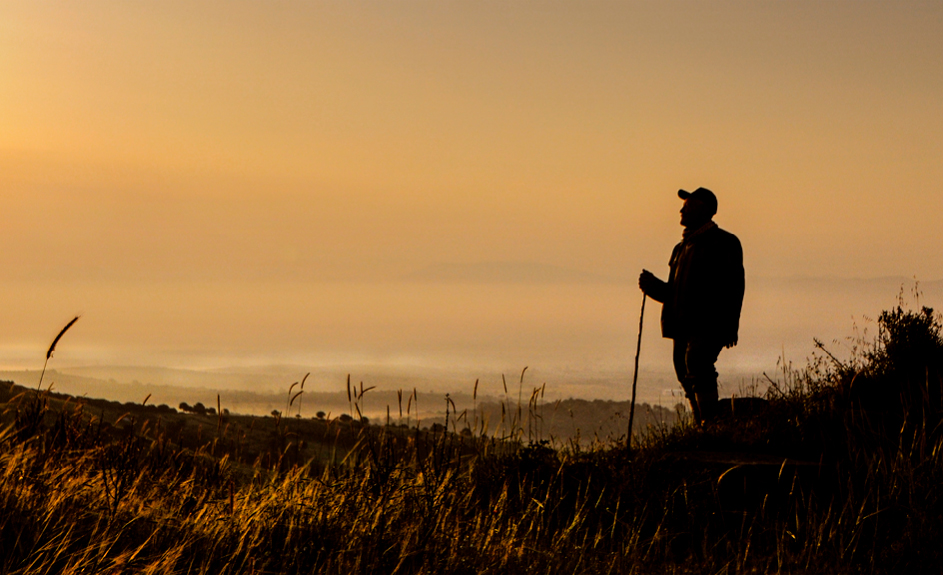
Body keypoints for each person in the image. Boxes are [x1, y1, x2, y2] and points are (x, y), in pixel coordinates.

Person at [638, 188, 744, 425]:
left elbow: (735, 287)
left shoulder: (724, 243)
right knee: (685, 372)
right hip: (682, 327)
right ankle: (703, 424)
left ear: (703, 210)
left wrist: (730, 326)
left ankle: (711, 423)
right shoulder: (681, 248)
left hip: (708, 324)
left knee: (697, 363)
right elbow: (675, 293)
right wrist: (652, 287)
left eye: (687, 206)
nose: (681, 210)